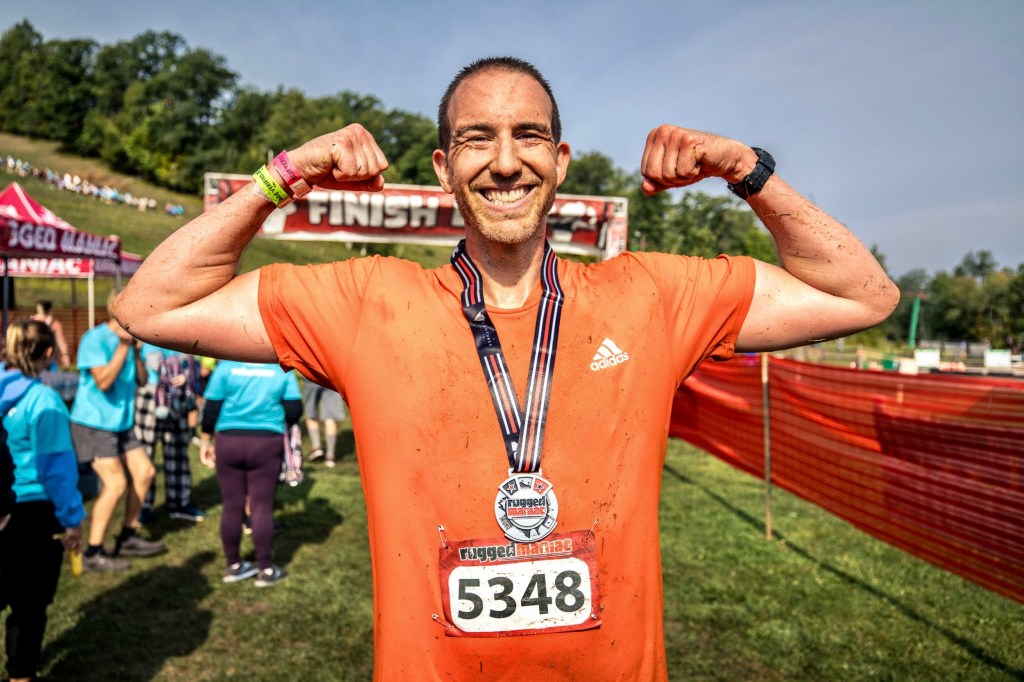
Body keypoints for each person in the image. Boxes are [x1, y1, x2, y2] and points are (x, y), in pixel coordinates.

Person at [113, 57, 899, 678]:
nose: (504, 161)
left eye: (528, 135)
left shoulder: (652, 295)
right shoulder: (368, 300)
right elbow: (148, 307)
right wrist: (281, 176)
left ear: (560, 160)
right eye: (475, 138)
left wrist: (747, 170)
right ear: (443, 166)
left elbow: (864, 295)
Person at [0, 321, 85, 682]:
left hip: (8, 505)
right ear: (49, 353)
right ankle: (21, 676)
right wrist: (72, 519)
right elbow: (57, 470)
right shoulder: (44, 402)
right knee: (29, 603)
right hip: (32, 510)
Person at [71, 289, 164, 571]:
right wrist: (123, 347)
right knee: (115, 484)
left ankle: (128, 536)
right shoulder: (95, 339)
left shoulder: (134, 341)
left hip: (122, 423)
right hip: (94, 423)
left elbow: (143, 380)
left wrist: (135, 351)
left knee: (144, 472)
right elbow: (103, 382)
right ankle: (93, 552)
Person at [198, 360, 302, 586]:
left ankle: (234, 565)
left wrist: (205, 441)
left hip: (229, 440)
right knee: (261, 506)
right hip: (266, 441)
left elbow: (211, 409)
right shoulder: (280, 369)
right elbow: (295, 409)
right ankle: (265, 568)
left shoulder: (225, 366)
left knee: (231, 504)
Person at [134, 343, 205, 523]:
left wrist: (185, 374)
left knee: (178, 451)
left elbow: (194, 363)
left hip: (177, 398)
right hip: (150, 394)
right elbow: (152, 362)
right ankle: (141, 505)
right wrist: (171, 370)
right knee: (144, 452)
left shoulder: (184, 334)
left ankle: (179, 502)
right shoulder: (147, 333)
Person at [301, 379, 346, 467]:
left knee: (311, 414)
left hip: (311, 378)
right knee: (330, 417)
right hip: (330, 379)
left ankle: (316, 447)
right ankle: (330, 456)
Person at [30, 300, 71, 369]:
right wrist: (65, 355)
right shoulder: (54, 324)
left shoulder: (31, 323)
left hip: (34, 357)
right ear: (50, 310)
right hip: (48, 358)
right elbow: (61, 340)